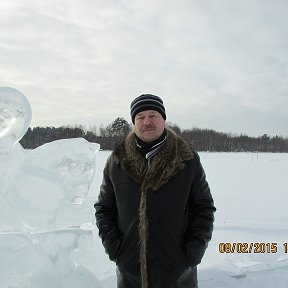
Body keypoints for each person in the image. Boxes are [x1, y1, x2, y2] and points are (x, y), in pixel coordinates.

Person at [94, 94, 216, 288]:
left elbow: (204, 208)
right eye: (140, 117)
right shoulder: (116, 161)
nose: (147, 122)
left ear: (164, 120)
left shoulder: (187, 159)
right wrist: (115, 249)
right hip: (130, 273)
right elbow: (104, 208)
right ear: (134, 123)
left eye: (153, 115)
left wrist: (192, 252)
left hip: (177, 273)